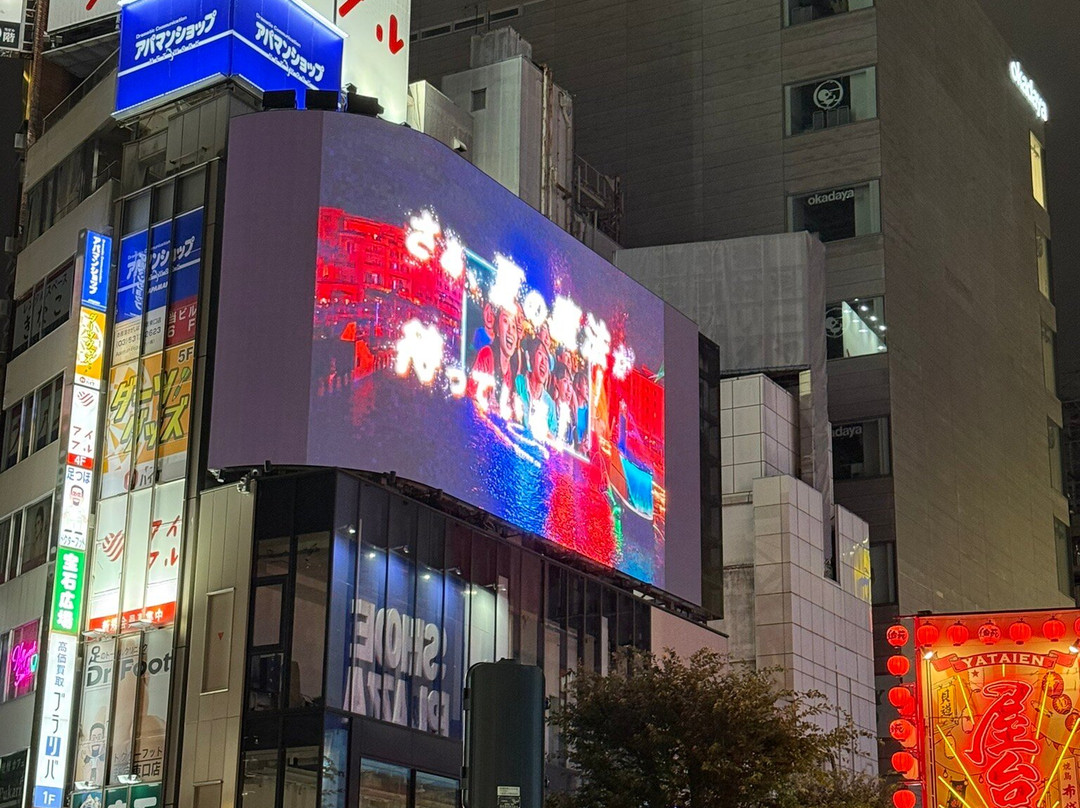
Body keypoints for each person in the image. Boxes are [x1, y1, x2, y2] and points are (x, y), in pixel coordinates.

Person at [470, 304, 522, 412]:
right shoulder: (486, 354)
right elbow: (473, 401)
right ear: (497, 329)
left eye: (514, 327)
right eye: (505, 321)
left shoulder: (510, 372)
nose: (510, 331)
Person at [515, 337, 558, 441]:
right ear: (531, 359)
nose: (544, 362)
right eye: (540, 354)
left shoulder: (550, 404)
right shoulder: (519, 383)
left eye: (546, 359)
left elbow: (553, 440)